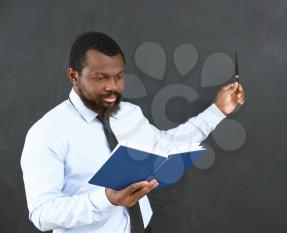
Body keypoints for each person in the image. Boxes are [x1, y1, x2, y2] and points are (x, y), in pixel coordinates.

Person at [20, 32, 245, 233]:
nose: (113, 87)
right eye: (101, 78)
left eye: (119, 76)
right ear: (74, 76)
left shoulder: (128, 113)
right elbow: (42, 214)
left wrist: (218, 111)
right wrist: (107, 199)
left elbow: (166, 146)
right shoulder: (46, 132)